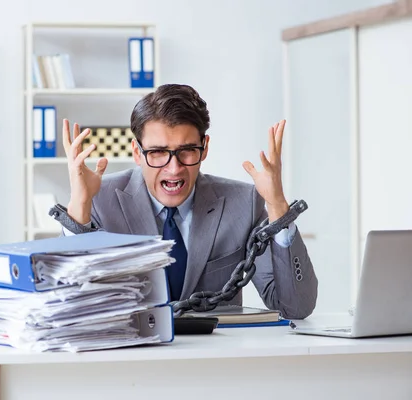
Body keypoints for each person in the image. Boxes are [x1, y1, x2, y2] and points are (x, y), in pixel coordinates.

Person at [56, 83, 317, 319]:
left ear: (204, 148)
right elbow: (70, 307)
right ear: (137, 152)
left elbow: (295, 308)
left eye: (187, 151)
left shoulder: (243, 203)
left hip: (212, 362)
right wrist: (79, 206)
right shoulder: (100, 200)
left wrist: (277, 206)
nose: (174, 168)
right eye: (158, 153)